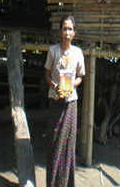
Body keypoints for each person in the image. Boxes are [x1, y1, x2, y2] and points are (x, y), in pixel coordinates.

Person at [44, 15, 85, 187]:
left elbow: (80, 77)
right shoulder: (53, 51)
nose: (67, 32)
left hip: (71, 104)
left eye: (70, 29)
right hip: (55, 101)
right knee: (54, 143)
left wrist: (72, 87)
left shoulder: (78, 52)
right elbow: (47, 74)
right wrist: (55, 86)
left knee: (68, 145)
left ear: (74, 33)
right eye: (64, 29)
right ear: (60, 31)